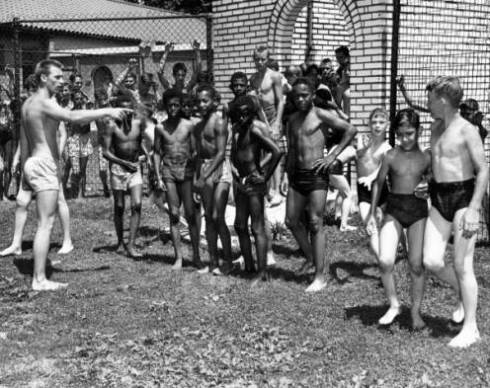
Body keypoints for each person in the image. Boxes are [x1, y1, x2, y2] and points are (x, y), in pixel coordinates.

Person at [20, 59, 129, 290]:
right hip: (43, 165)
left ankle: (39, 273)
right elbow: (72, 118)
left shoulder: (29, 103)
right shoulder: (42, 102)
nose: (61, 81)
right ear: (43, 78)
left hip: (34, 162)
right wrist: (108, 110)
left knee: (45, 222)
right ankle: (39, 279)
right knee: (45, 224)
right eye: (57, 77)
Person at [421, 76, 488, 348]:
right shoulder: (436, 127)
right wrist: (425, 182)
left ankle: (471, 328)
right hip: (438, 197)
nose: (427, 103)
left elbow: (483, 169)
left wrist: (473, 209)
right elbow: (438, 164)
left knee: (463, 264)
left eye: (430, 99)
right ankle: (463, 292)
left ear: (444, 100)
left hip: (463, 198)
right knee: (432, 261)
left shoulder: (467, 130)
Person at [285, 78, 357, 292]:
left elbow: (350, 130)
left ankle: (319, 276)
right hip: (297, 175)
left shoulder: (320, 114)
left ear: (312, 94)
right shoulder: (292, 119)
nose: (300, 99)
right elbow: (291, 150)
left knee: (316, 223)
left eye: (304, 95)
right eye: (296, 95)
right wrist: (284, 177)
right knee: (291, 220)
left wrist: (332, 156)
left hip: (316, 174)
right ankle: (310, 257)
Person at [366, 109, 430, 329]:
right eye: (400, 134)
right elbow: (379, 183)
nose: (405, 139)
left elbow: (433, 180)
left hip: (417, 212)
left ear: (418, 131)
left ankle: (415, 311)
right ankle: (394, 305)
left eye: (409, 133)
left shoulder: (426, 157)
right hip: (394, 210)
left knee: (416, 265)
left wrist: (428, 184)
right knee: (385, 260)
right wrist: (373, 212)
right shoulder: (391, 155)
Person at [1, 75, 74, 257]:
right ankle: (16, 244)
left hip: (48, 161)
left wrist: (57, 153)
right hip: (29, 160)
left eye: (29, 91)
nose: (27, 94)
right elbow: (24, 137)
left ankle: (67, 241)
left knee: (59, 200)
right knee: (21, 201)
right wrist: (17, 157)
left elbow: (62, 133)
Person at [230, 95, 282, 283]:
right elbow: (235, 154)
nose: (242, 117)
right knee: (239, 225)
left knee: (257, 227)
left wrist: (264, 176)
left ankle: (262, 272)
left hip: (254, 184)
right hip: (241, 182)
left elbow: (276, 151)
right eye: (239, 114)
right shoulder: (236, 129)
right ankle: (249, 266)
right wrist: (233, 168)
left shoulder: (254, 130)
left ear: (251, 115)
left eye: (246, 114)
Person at [153, 89, 202, 270]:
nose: (173, 108)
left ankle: (196, 256)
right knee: (174, 214)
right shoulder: (160, 127)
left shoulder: (189, 125)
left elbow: (197, 153)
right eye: (170, 105)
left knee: (191, 215)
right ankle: (179, 258)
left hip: (187, 173)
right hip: (169, 173)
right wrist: (158, 176)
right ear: (165, 106)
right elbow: (157, 152)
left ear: (181, 106)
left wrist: (197, 176)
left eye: (176, 105)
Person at [194, 84, 233, 275]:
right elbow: (197, 155)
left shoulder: (219, 122)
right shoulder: (198, 125)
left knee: (218, 217)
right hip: (204, 168)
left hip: (218, 169)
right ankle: (213, 261)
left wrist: (204, 176)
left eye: (205, 101)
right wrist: (197, 178)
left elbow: (220, 153)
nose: (201, 104)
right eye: (199, 101)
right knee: (209, 217)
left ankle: (228, 261)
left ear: (213, 101)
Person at [101, 94, 144, 259]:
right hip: (118, 169)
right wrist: (123, 163)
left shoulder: (138, 124)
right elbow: (105, 152)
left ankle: (131, 244)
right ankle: (120, 242)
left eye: (129, 109)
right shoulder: (111, 126)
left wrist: (144, 156)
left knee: (137, 204)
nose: (127, 113)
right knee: (119, 206)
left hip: (134, 169)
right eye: (123, 109)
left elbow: (142, 145)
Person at [250, 46, 285, 206]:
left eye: (263, 59)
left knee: (274, 152)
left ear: (268, 59)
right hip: (260, 117)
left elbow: (280, 101)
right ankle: (265, 191)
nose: (260, 62)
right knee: (262, 155)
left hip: (272, 117)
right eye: (257, 59)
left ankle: (277, 191)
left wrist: (277, 123)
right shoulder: (253, 78)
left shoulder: (275, 76)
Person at [356, 108, 392, 260]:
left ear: (387, 125)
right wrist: (364, 148)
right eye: (374, 122)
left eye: (381, 122)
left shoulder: (387, 148)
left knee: (385, 226)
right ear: (369, 124)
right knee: (370, 227)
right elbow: (357, 156)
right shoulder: (362, 138)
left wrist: (372, 177)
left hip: (380, 190)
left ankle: (405, 251)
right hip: (364, 190)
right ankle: (384, 262)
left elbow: (382, 170)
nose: (377, 125)